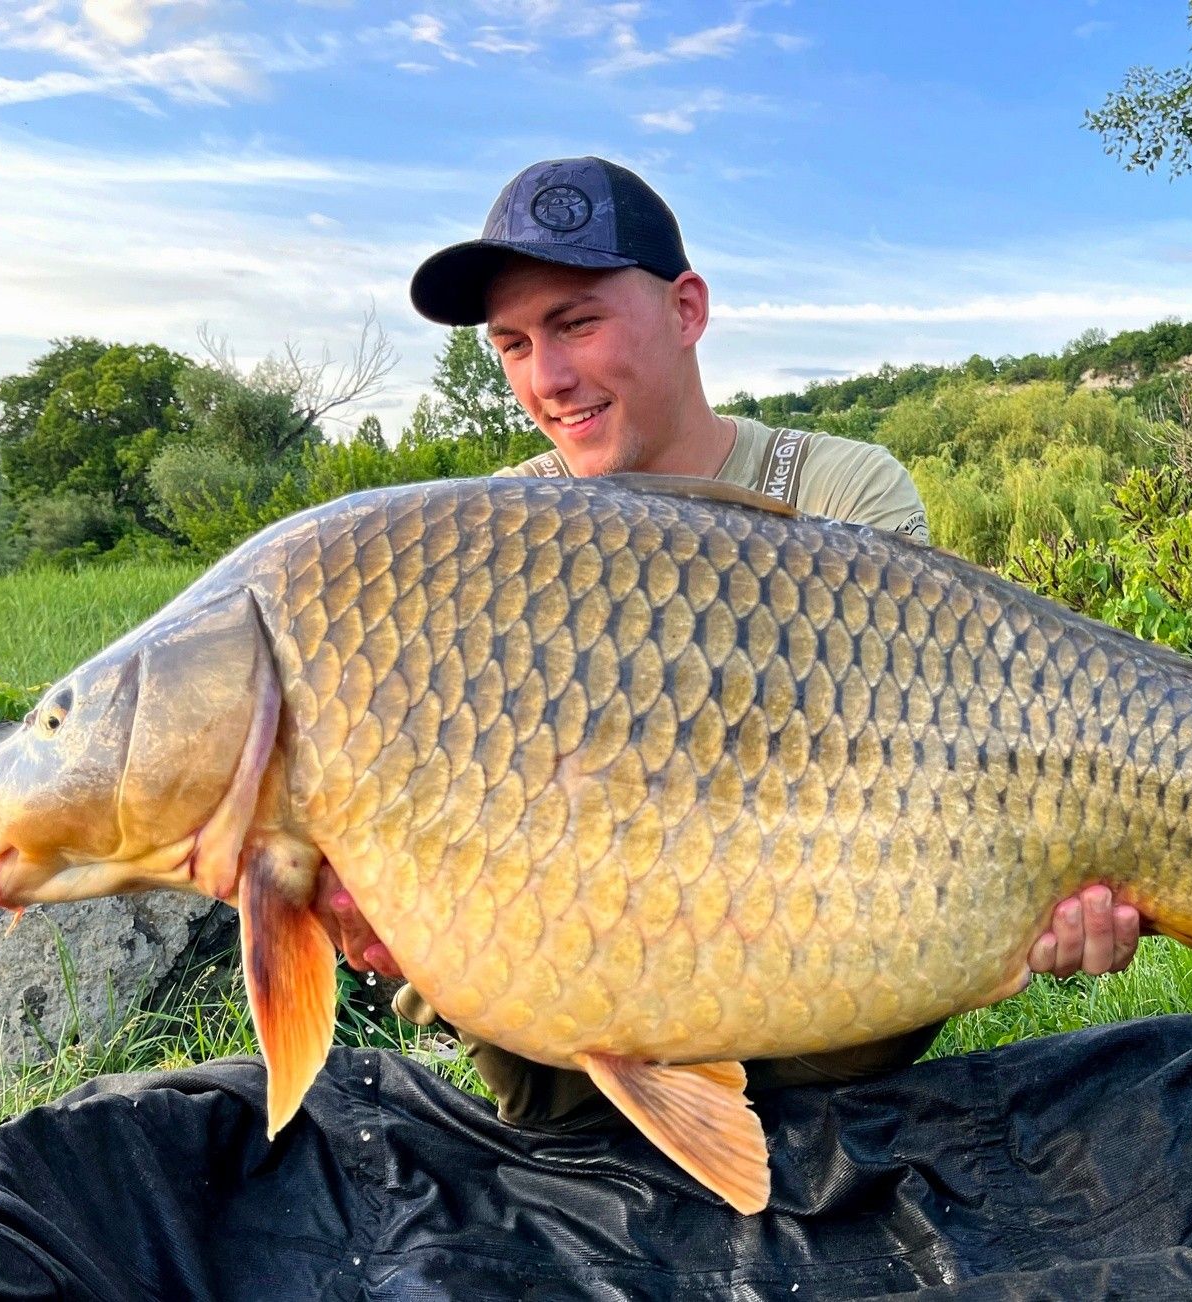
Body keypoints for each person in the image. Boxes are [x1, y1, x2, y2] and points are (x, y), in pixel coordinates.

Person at [314, 157, 1147, 1125]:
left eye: (577, 323)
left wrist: (1044, 889)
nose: (547, 377)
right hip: (563, 1041)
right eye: (513, 342)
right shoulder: (488, 537)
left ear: (688, 310)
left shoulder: (843, 495)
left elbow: (931, 783)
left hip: (825, 1007)